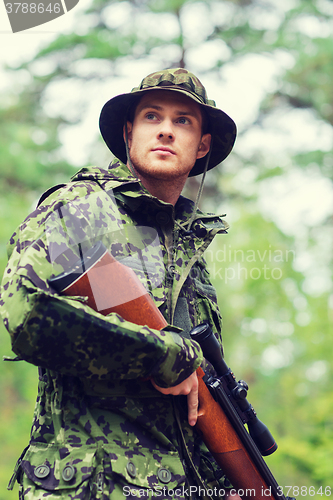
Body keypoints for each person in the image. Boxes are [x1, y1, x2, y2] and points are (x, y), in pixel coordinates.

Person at [0, 68, 239, 499]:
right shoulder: (81, 207)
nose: (166, 130)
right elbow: (24, 312)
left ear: (202, 144)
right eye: (152, 117)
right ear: (130, 132)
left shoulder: (192, 260)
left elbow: (187, 412)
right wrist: (160, 353)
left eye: (183, 121)